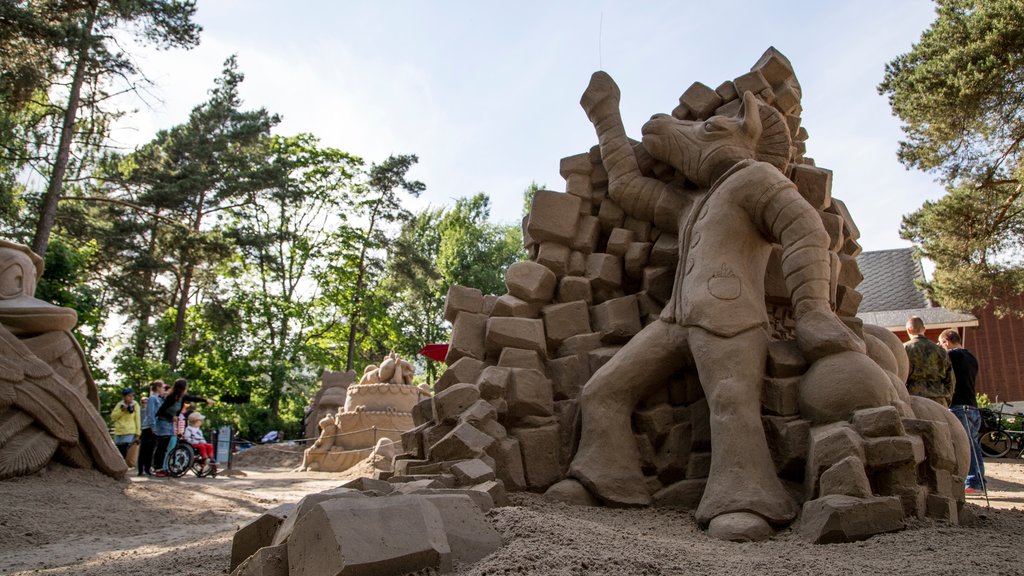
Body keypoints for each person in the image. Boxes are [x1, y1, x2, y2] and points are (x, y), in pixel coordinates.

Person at [939, 329, 984, 493]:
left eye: (941, 344)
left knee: (965, 444)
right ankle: (979, 480)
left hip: (959, 405)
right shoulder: (972, 357)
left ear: (947, 342)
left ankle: (972, 482)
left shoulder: (953, 356)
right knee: (974, 444)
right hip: (972, 405)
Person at [153, 378, 213, 477]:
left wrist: (205, 400)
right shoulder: (171, 397)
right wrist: (171, 416)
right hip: (163, 422)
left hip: (171, 423)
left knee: (170, 445)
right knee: (162, 446)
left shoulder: (183, 397)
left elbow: (193, 398)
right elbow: (160, 411)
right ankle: (158, 468)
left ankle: (166, 467)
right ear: (182, 388)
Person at [903, 316, 955, 406]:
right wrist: (947, 398)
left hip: (915, 399)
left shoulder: (905, 349)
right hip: (939, 399)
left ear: (908, 330)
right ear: (924, 329)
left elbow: (901, 375)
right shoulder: (940, 350)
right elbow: (950, 378)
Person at [137, 380, 167, 476]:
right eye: (162, 388)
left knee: (151, 449)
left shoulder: (158, 399)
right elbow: (150, 414)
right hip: (149, 427)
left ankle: (147, 468)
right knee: (145, 448)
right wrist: (153, 427)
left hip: (155, 427)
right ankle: (141, 469)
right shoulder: (152, 399)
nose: (163, 390)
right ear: (158, 388)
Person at [110, 388, 141, 461]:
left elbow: (137, 418)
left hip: (129, 431)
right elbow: (113, 417)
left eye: (132, 396)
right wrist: (122, 410)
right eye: (129, 396)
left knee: (125, 449)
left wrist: (138, 432)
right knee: (118, 450)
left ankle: (124, 466)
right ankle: (119, 465)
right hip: (119, 431)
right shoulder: (120, 404)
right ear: (124, 397)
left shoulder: (135, 404)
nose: (131, 398)